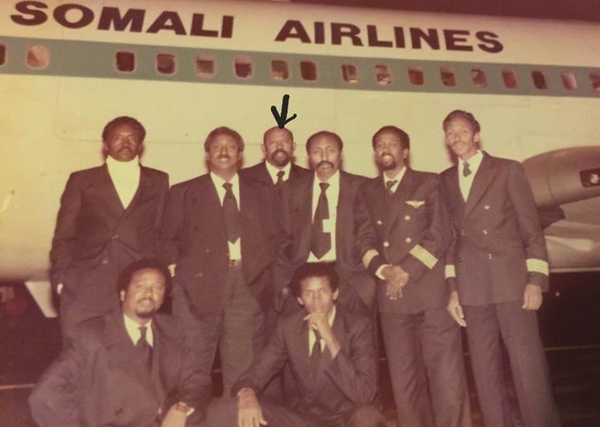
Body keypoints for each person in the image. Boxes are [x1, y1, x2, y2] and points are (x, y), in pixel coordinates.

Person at [439, 109, 576, 427]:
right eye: (450, 133)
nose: (456, 138)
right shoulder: (446, 181)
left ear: (477, 135)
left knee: (529, 377)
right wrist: (453, 290)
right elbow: (450, 242)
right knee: (485, 381)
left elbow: (532, 230)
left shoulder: (507, 170)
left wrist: (536, 280)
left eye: (462, 131)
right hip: (472, 292)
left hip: (513, 287)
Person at [29, 259, 234, 427]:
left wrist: (181, 408)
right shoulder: (92, 336)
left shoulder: (173, 329)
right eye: (141, 286)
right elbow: (45, 393)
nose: (149, 293)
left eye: (158, 287)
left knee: (232, 417)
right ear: (123, 294)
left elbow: (197, 378)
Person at [354, 126, 478, 427]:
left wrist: (405, 272)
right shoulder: (366, 191)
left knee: (449, 392)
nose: (385, 150)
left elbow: (440, 234)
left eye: (392, 144)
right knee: (407, 399)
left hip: (429, 297)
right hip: (392, 305)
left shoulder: (428, 183)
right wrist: (383, 270)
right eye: (379, 145)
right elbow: (362, 238)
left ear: (405, 152)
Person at [231, 262, 386, 427]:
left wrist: (330, 339)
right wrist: (246, 392)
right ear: (299, 299)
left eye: (323, 291)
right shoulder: (288, 327)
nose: (317, 301)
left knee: (369, 419)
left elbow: (364, 394)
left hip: (347, 425)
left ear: (335, 293)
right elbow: (259, 370)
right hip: (307, 425)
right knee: (241, 410)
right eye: (309, 294)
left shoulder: (358, 326)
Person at [160, 126, 281, 395]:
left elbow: (276, 237)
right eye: (217, 147)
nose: (223, 152)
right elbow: (167, 239)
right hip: (196, 290)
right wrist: (178, 278)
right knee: (192, 366)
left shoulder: (262, 192)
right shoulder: (184, 191)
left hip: (247, 288)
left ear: (240, 155)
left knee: (242, 369)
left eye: (230, 147)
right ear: (207, 155)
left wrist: (263, 277)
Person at [50, 116, 168, 335]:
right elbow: (64, 235)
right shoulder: (82, 180)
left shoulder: (158, 180)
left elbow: (159, 233)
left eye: (131, 138)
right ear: (105, 144)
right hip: (85, 287)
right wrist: (61, 280)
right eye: (117, 137)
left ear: (140, 145)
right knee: (81, 359)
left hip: (134, 288)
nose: (125, 143)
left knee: (127, 359)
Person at [278, 131, 375, 318]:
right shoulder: (291, 189)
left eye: (330, 150)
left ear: (340, 154)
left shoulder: (362, 187)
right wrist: (286, 280)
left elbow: (370, 235)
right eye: (317, 151)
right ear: (308, 157)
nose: (324, 157)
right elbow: (281, 236)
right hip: (304, 275)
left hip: (350, 277)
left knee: (354, 341)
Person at [240, 126, 311, 187]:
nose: (279, 146)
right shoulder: (244, 177)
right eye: (272, 143)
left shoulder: (309, 178)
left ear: (293, 147)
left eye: (285, 142)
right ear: (264, 148)